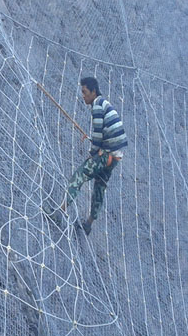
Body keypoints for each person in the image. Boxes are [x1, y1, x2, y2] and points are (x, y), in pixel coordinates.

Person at [47, 76, 128, 235]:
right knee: (99, 187)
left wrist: (93, 153)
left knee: (79, 175)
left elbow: (98, 134)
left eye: (85, 92)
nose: (83, 96)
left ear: (93, 91)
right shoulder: (105, 104)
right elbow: (106, 132)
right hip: (116, 156)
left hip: (106, 154)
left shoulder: (97, 105)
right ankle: (88, 225)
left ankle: (58, 213)